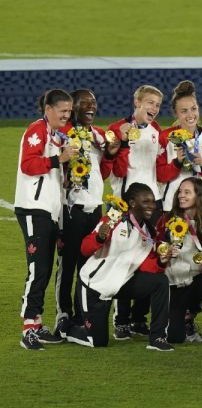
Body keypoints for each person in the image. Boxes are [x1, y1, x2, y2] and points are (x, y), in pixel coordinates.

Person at [65, 183, 172, 351]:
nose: (152, 205)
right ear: (132, 203)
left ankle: (157, 337)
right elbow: (85, 248)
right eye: (146, 201)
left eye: (153, 201)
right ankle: (69, 329)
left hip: (121, 283)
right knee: (98, 342)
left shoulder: (149, 232)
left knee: (160, 281)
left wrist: (161, 261)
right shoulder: (114, 219)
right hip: (95, 286)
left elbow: (146, 266)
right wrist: (99, 238)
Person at [54, 89, 119, 336]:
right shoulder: (65, 135)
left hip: (95, 208)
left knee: (88, 263)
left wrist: (111, 154)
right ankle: (63, 315)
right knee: (67, 264)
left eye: (94, 102)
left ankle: (81, 315)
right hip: (71, 209)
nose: (91, 107)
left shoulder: (99, 136)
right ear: (73, 108)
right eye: (85, 103)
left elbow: (101, 173)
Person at [15, 89, 76, 349]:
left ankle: (37, 325)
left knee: (45, 269)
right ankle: (28, 327)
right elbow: (27, 165)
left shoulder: (55, 134)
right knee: (37, 269)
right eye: (62, 110)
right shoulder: (37, 130)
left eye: (69, 111)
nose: (66, 114)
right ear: (48, 109)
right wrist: (57, 159)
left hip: (49, 210)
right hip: (33, 208)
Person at [109, 84, 163, 338]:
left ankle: (139, 318)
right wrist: (123, 142)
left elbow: (160, 170)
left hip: (154, 203)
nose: (153, 108)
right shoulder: (117, 129)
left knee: (149, 258)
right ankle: (121, 318)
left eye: (157, 105)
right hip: (127, 203)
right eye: (150, 103)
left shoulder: (156, 132)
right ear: (137, 102)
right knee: (125, 258)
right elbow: (117, 171)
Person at [156, 177, 202, 348]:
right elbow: (155, 246)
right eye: (180, 192)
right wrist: (163, 253)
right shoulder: (167, 220)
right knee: (175, 338)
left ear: (199, 197)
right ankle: (183, 322)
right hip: (173, 284)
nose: (181, 196)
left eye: (187, 192)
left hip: (196, 280)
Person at [157, 80, 202, 212]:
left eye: (194, 109)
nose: (191, 115)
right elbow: (159, 175)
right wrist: (177, 163)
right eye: (184, 111)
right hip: (172, 205)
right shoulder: (165, 137)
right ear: (176, 113)